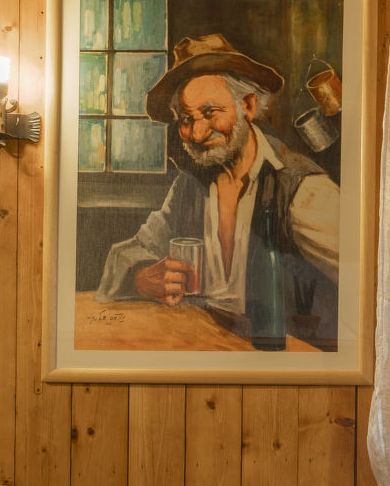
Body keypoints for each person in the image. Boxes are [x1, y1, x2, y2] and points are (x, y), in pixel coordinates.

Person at [96, 33, 340, 348]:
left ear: (248, 106)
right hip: (205, 346)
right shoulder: (189, 187)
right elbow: (123, 255)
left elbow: (370, 277)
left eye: (210, 113)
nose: (196, 133)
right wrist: (142, 276)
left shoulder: (303, 189)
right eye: (186, 119)